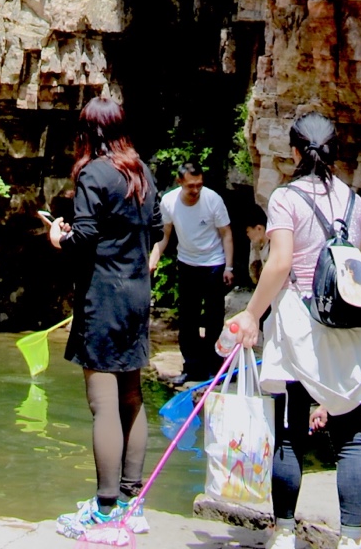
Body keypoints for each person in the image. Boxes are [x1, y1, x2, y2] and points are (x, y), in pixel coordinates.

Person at [219, 113, 361, 549]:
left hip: (299, 323)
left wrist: (253, 315)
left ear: (295, 152)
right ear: (335, 151)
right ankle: (351, 540)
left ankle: (284, 532)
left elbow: (279, 264)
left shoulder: (286, 199)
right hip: (349, 325)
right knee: (350, 436)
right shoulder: (357, 204)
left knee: (291, 430)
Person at [46, 94, 158, 537]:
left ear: (89, 131)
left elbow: (88, 236)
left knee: (103, 405)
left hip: (104, 296)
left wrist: (59, 237)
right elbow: (151, 229)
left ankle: (105, 508)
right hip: (137, 292)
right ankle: (134, 501)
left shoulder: (94, 172)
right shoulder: (142, 171)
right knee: (132, 396)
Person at [150, 161, 232, 381]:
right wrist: (154, 257)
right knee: (188, 319)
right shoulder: (169, 201)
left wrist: (229, 267)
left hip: (213, 263)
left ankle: (215, 367)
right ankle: (192, 367)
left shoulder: (212, 199)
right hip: (187, 263)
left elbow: (226, 233)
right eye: (190, 186)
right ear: (180, 183)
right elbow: (165, 233)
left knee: (214, 318)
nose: (195, 190)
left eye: (199, 185)